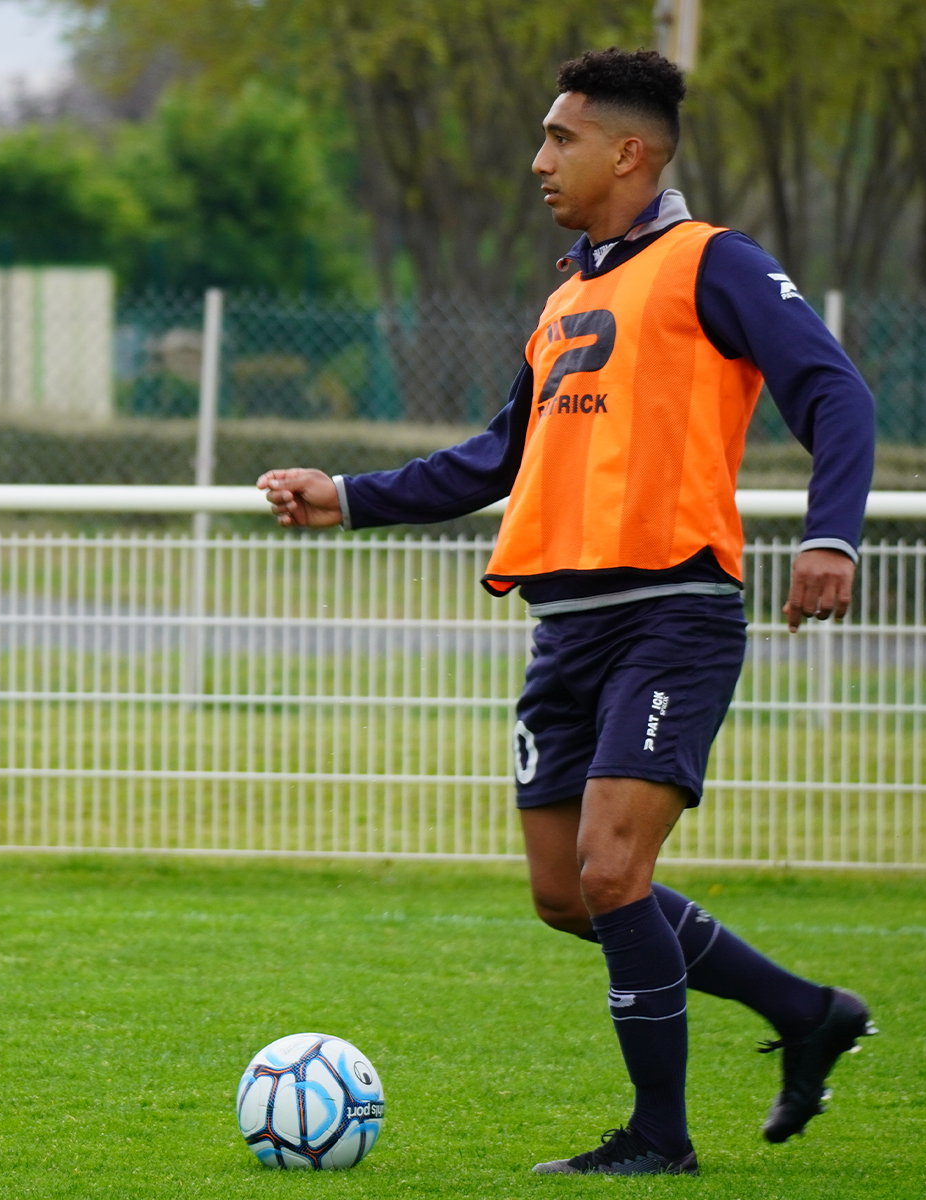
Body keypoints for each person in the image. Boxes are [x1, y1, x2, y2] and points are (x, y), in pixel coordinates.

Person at [257, 47, 878, 1177]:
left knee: (610, 873)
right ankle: (804, 1011)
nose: (539, 158)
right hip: (565, 627)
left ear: (628, 152)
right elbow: (498, 456)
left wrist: (829, 533)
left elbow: (834, 390)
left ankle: (658, 1139)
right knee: (566, 894)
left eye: (560, 138)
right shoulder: (566, 296)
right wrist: (345, 497)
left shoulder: (713, 264)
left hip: (671, 615)